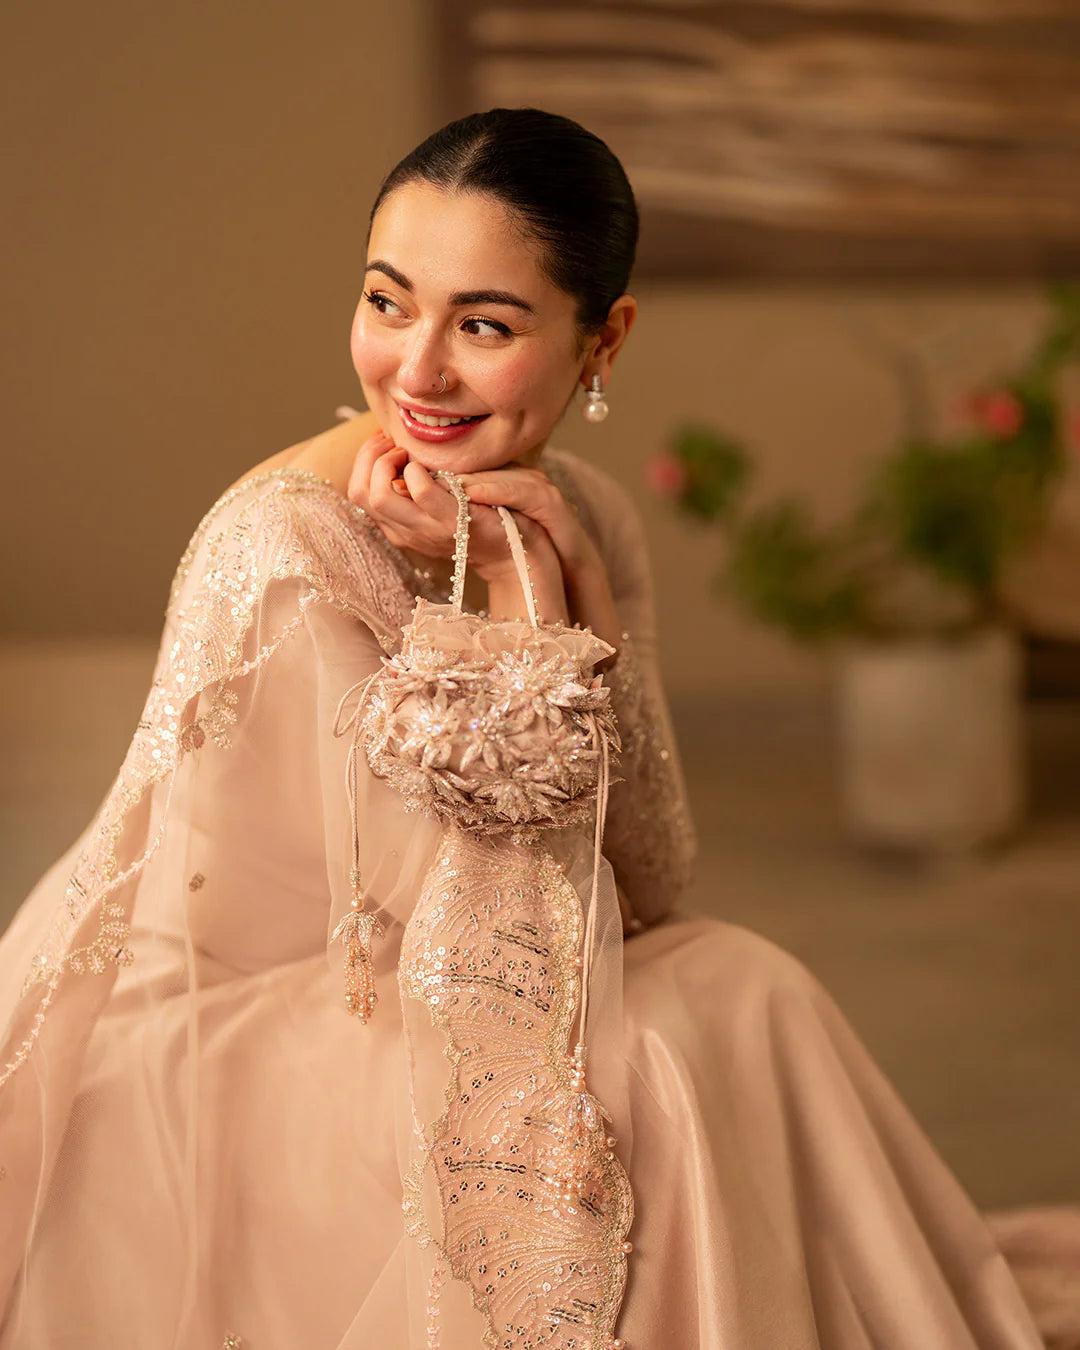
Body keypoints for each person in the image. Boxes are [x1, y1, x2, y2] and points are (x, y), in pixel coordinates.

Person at [0, 106, 1075, 1349]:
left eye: (484, 325)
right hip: (245, 1040)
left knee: (748, 988)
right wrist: (521, 622)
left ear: (602, 341)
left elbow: (654, 883)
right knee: (661, 1057)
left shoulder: (581, 514)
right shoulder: (293, 544)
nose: (418, 371)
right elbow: (486, 968)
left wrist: (581, 598)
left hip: (468, 982)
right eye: (388, 303)